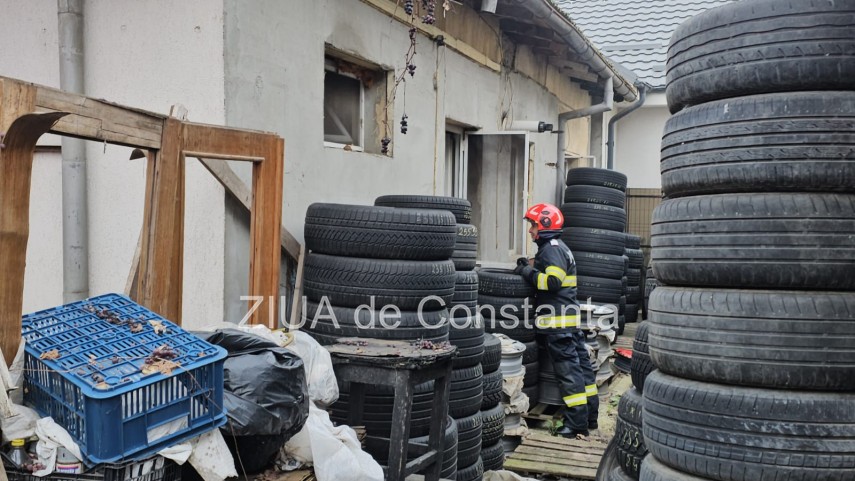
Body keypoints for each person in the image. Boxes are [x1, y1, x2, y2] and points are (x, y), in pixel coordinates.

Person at [513, 202, 598, 438]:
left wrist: (526, 272)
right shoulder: (559, 247)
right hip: (568, 322)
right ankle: (590, 418)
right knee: (583, 372)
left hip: (557, 325)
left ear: (545, 225)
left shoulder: (551, 249)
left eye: (533, 225)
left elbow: (551, 282)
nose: (530, 231)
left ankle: (576, 425)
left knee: (569, 375)